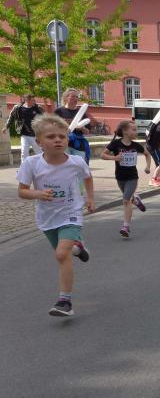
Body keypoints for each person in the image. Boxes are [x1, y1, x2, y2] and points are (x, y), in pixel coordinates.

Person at [16, 114, 95, 317]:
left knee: (61, 254)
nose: (58, 140)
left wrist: (90, 198)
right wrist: (37, 193)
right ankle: (77, 247)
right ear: (39, 142)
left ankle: (64, 301)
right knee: (65, 254)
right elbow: (22, 191)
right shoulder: (31, 164)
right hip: (47, 217)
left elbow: (88, 178)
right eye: (51, 137)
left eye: (62, 136)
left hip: (71, 213)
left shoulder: (76, 162)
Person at [101, 120, 153, 238]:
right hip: (120, 177)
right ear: (125, 131)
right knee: (128, 198)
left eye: (136, 129)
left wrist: (148, 166)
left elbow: (147, 154)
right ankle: (136, 200)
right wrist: (114, 158)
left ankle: (126, 227)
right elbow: (102, 155)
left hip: (132, 177)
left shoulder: (136, 145)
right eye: (133, 129)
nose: (136, 132)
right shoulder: (116, 144)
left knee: (125, 200)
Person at [54, 88, 93, 164]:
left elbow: (87, 131)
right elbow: (51, 127)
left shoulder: (81, 112)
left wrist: (82, 128)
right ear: (66, 98)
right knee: (64, 165)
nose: (75, 99)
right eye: (73, 96)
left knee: (79, 165)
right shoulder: (59, 111)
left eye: (77, 97)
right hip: (63, 143)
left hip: (78, 144)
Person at [3, 94, 44, 162]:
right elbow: (11, 117)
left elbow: (46, 117)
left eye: (34, 100)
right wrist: (6, 126)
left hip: (36, 135)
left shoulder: (38, 108)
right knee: (24, 152)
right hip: (24, 135)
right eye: (32, 100)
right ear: (26, 100)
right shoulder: (18, 108)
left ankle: (43, 165)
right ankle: (24, 167)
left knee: (39, 152)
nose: (34, 102)